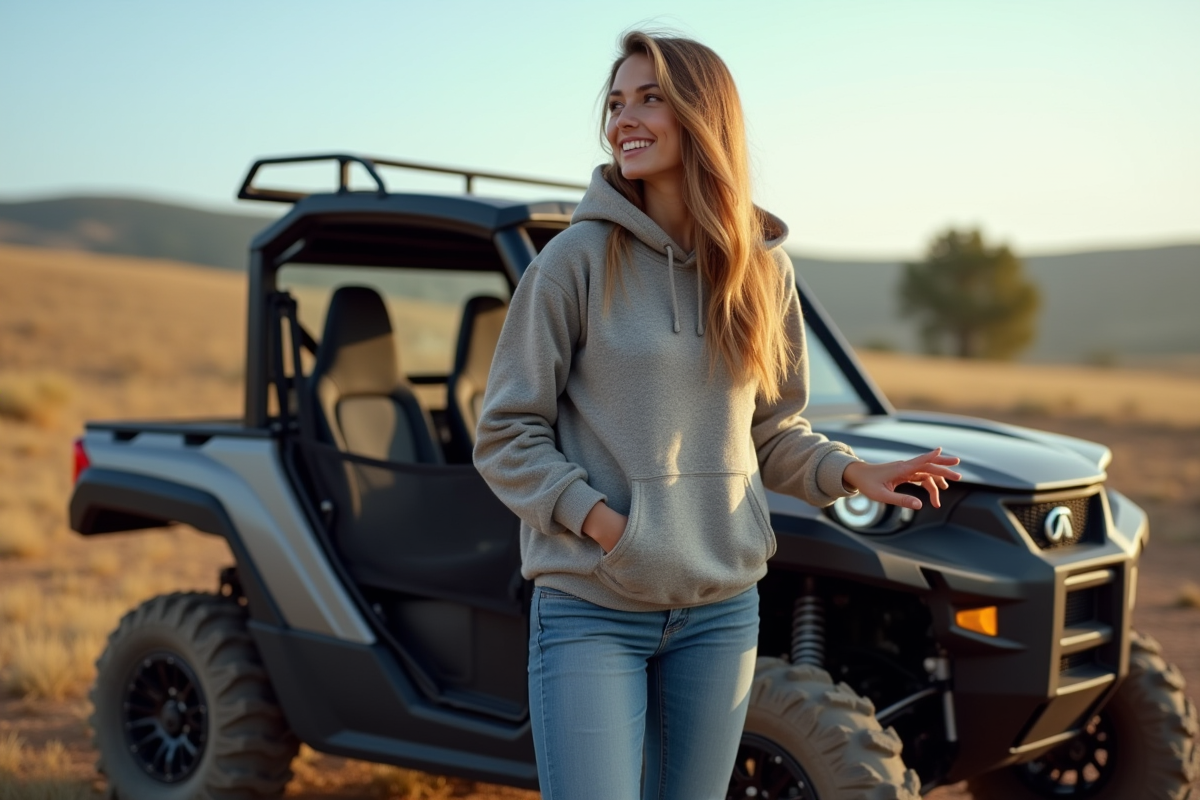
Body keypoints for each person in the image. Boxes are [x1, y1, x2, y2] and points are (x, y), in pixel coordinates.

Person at [473, 30, 962, 800]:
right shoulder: (575, 262)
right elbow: (506, 433)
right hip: (594, 607)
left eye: (649, 99)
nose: (623, 120)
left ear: (703, 117)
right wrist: (608, 527)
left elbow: (770, 431)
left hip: (720, 612)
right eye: (615, 103)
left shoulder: (761, 269)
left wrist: (854, 473)